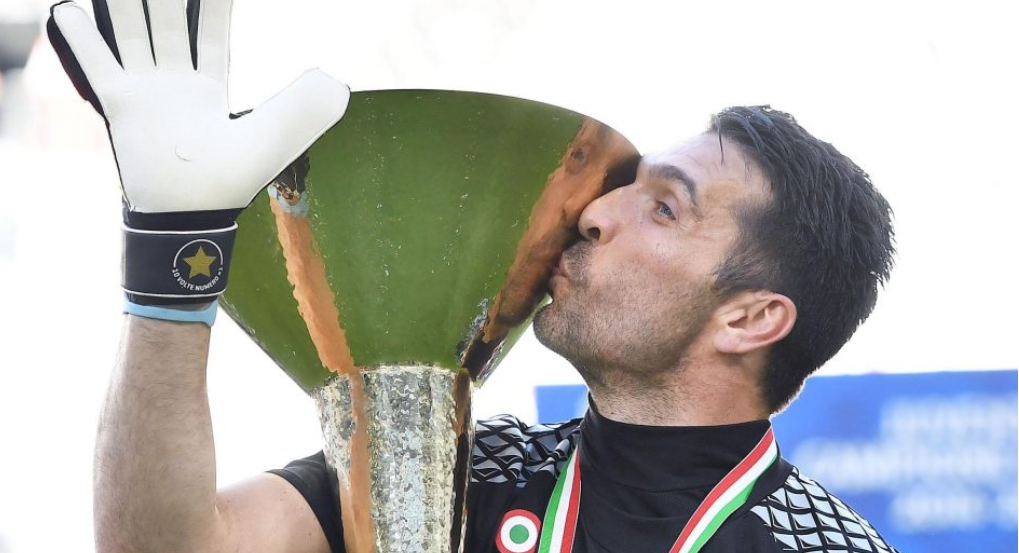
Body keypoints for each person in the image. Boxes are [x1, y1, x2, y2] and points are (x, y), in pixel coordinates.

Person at [48, 1, 898, 552]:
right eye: (626, 187)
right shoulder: (460, 465)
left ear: (750, 317)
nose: (595, 213)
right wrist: (172, 255)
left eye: (664, 208)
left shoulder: (825, 545)